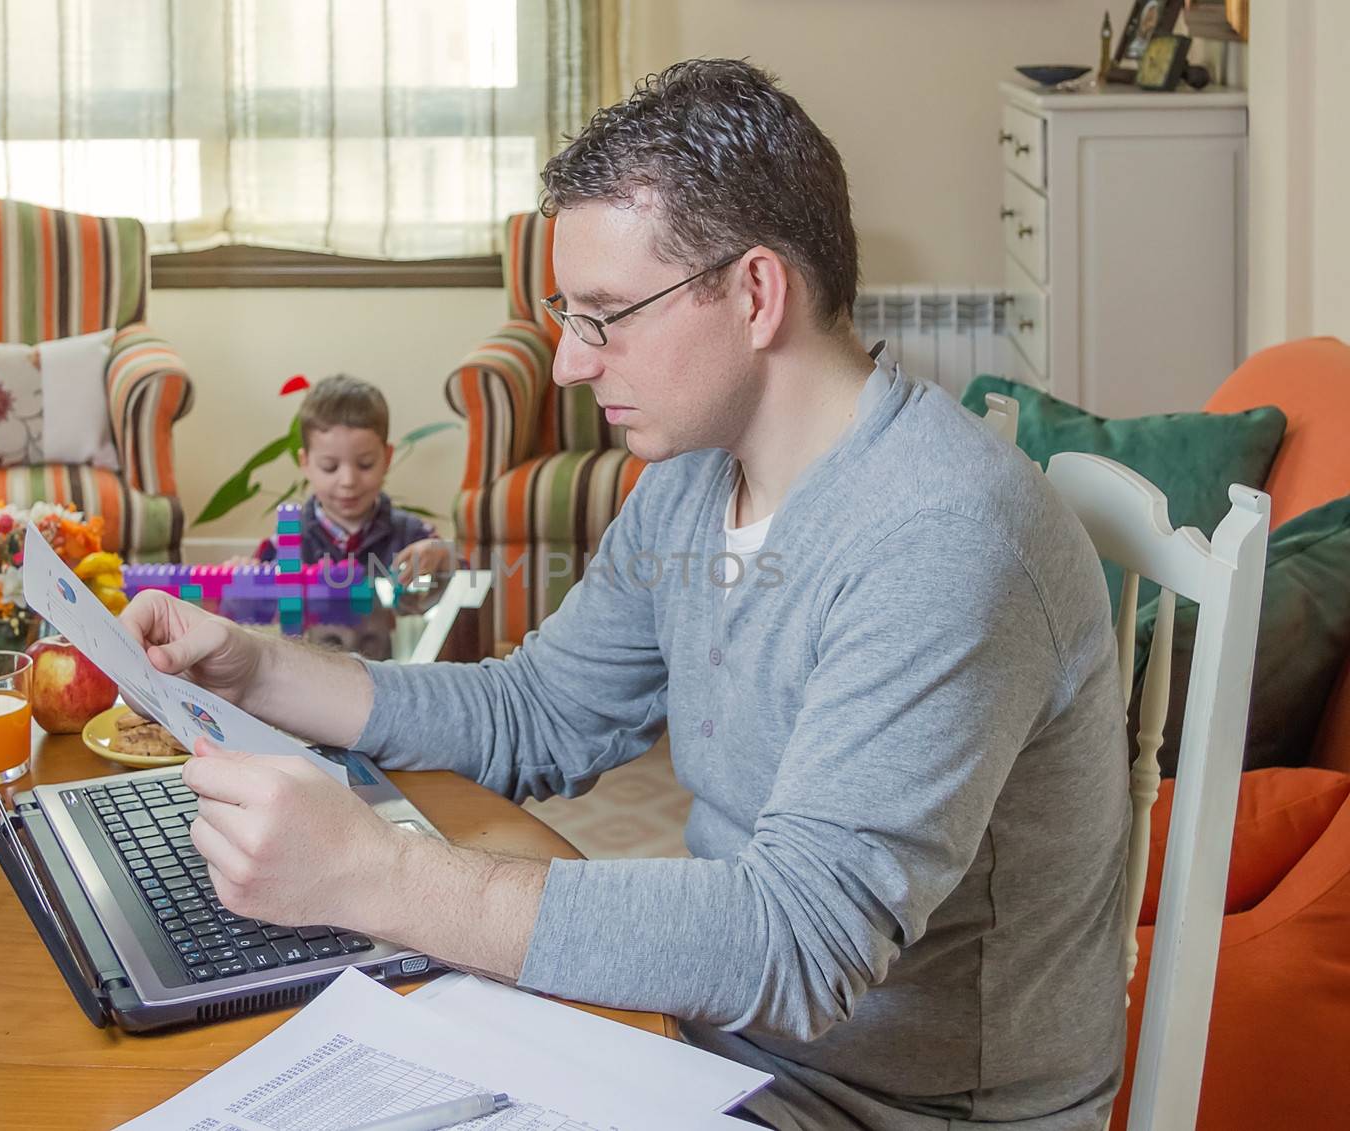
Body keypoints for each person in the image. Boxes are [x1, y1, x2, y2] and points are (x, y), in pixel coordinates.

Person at [124, 58, 1130, 1131]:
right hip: (707, 1043)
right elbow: (539, 710)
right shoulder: (698, 475)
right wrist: (261, 667)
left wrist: (376, 877)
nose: (567, 363)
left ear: (754, 294)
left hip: (888, 1103)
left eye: (604, 314)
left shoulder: (943, 537)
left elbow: (799, 945)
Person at [249, 374, 453, 583]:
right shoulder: (288, 540)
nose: (348, 481)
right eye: (330, 467)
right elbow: (253, 607)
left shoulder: (412, 533)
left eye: (365, 464)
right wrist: (242, 580)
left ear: (387, 458)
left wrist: (443, 557)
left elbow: (467, 583)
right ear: (305, 463)